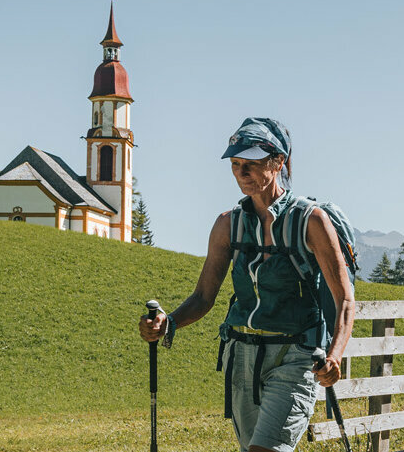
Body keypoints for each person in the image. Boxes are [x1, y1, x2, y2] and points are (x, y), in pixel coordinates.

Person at [137, 118, 356, 452]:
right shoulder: (228, 224)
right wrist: (169, 323)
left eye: (251, 164)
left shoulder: (310, 221)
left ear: (278, 162)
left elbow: (344, 300)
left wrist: (335, 355)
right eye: (235, 164)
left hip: (295, 356)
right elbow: (203, 296)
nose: (241, 173)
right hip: (241, 358)